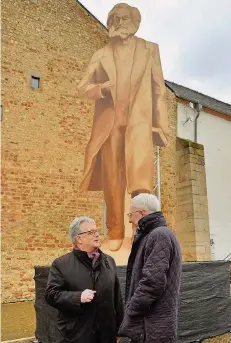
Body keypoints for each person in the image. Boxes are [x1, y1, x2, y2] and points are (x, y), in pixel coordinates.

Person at [77, 3, 168, 251]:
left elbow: (159, 90)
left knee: (141, 183)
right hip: (111, 125)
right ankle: (116, 232)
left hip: (139, 124)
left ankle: (142, 232)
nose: (118, 22)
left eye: (124, 18)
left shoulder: (150, 49)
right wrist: (102, 88)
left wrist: (160, 126)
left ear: (135, 22)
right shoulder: (101, 54)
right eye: (113, 18)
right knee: (113, 181)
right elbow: (82, 87)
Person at [45, 216, 124, 343]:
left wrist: (118, 329)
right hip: (77, 335)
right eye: (91, 232)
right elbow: (51, 295)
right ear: (79, 239)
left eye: (96, 231)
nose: (96, 235)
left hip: (106, 335)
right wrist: (78, 297)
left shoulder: (109, 261)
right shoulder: (61, 265)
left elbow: (117, 299)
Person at [119, 194, 182, 343]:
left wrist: (131, 309)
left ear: (142, 213)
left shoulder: (159, 235)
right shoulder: (157, 235)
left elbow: (153, 282)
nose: (129, 219)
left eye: (130, 214)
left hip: (153, 327)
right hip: (153, 324)